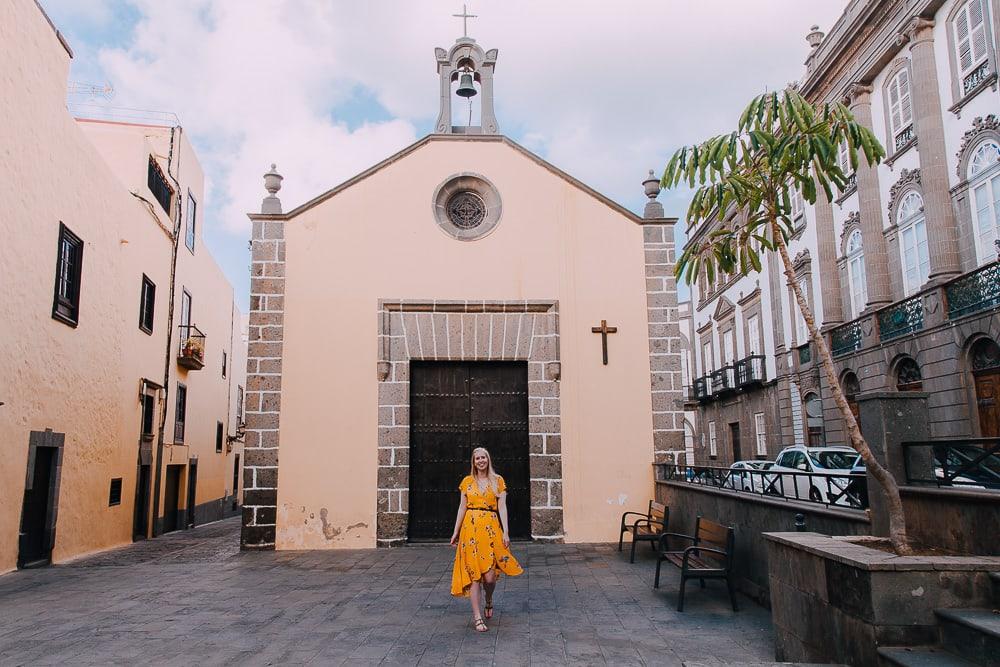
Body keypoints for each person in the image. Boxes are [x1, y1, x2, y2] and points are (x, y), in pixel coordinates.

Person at [450, 447, 523, 632]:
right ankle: (477, 618)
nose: (480, 461)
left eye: (483, 457)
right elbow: (461, 508)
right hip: (470, 531)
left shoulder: (498, 481)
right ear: (473, 462)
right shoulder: (467, 482)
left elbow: (503, 508)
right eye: (477, 459)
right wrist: (455, 531)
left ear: (488, 460)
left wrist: (506, 532)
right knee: (474, 575)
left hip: (491, 529)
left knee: (489, 578)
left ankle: (489, 599)